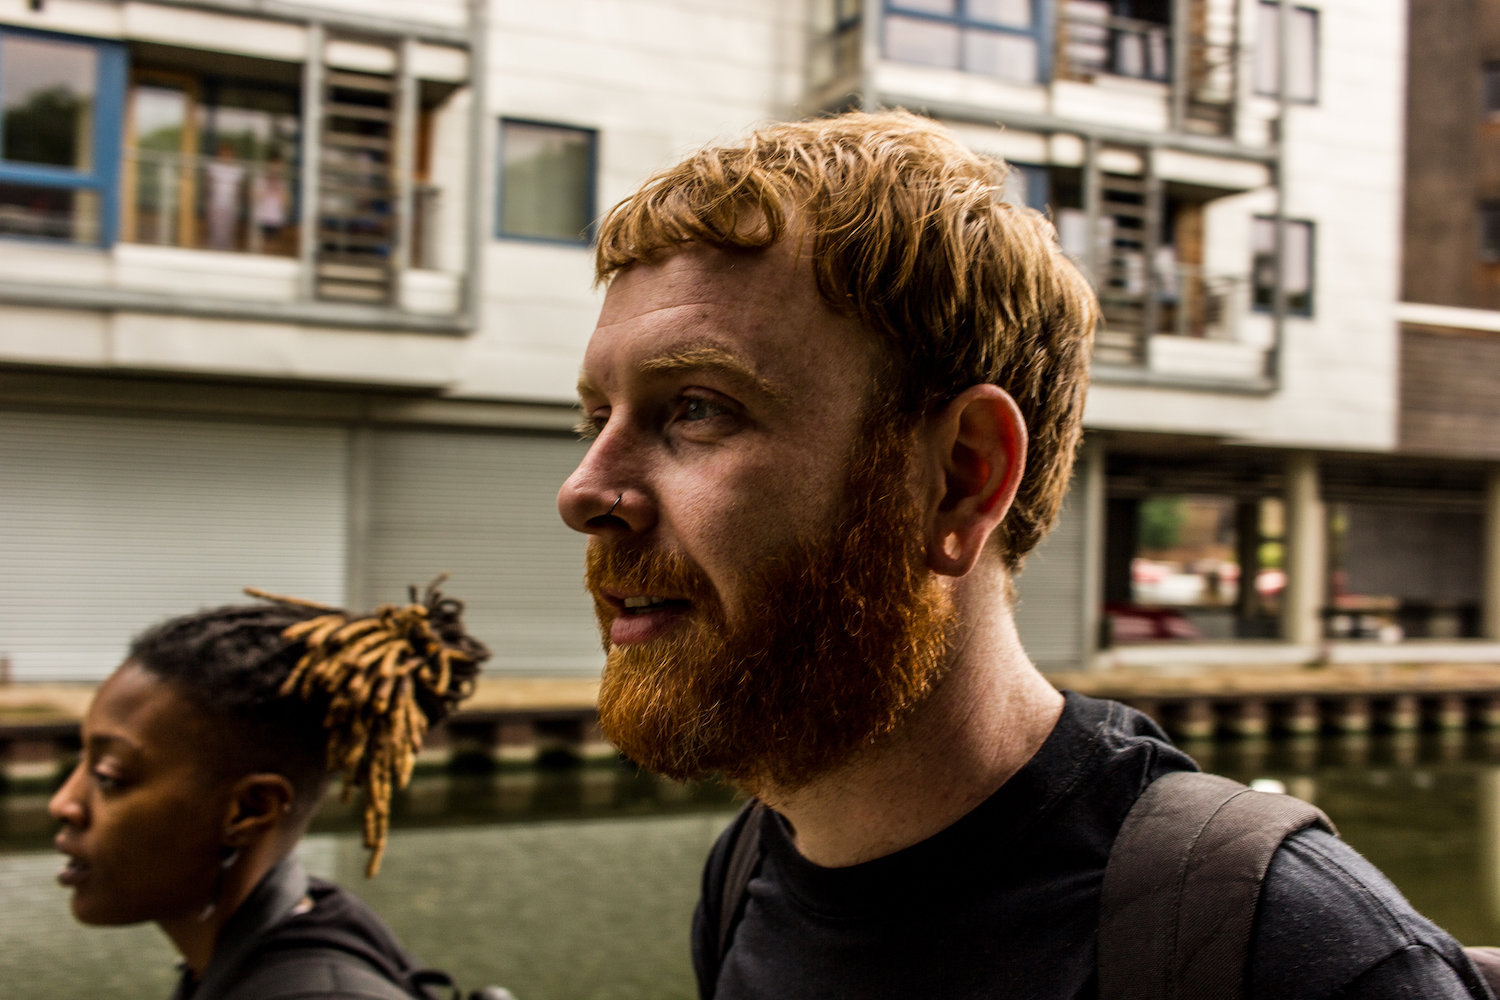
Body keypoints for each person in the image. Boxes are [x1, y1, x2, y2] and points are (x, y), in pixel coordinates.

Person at [556, 110, 1492, 999]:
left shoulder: (1303, 958)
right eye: (598, 417)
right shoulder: (747, 876)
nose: (583, 493)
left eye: (697, 408)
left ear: (965, 475)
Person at [49, 582, 489, 999]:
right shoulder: (298, 924)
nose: (63, 804)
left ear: (249, 810)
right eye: (82, 763)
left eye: (109, 776)